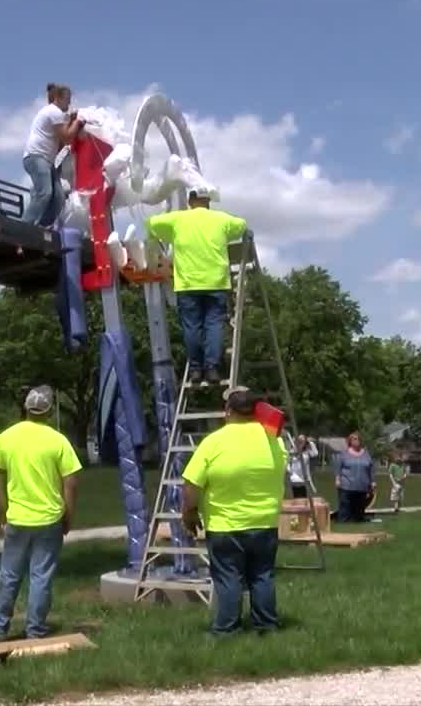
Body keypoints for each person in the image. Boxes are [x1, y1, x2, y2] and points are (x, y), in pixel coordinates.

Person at [180, 388, 287, 636]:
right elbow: (280, 468)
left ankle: (226, 629)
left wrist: (189, 513)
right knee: (262, 575)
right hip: (265, 522)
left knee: (229, 578)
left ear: (228, 411)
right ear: (256, 411)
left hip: (225, 524)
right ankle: (266, 625)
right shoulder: (275, 440)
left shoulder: (214, 442)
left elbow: (191, 486)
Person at [0, 385, 82, 640]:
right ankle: (35, 629)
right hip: (49, 519)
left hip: (17, 518)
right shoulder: (58, 441)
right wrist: (68, 515)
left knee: (9, 573)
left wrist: (3, 513)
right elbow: (71, 481)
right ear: (49, 410)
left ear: (26, 408)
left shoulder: (7, 437)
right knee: (41, 576)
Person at [146, 189, 248, 387]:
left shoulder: (178, 219)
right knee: (214, 325)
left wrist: (157, 240)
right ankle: (212, 368)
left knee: (192, 326)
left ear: (190, 201)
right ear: (208, 201)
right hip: (217, 282)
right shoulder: (221, 219)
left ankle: (195, 369)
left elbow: (150, 223)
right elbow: (242, 225)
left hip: (188, 284)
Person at [23, 82, 86, 228]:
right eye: (67, 100)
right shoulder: (54, 111)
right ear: (59, 98)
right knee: (45, 193)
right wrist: (76, 123)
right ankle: (25, 226)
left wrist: (71, 123)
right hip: (36, 157)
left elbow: (60, 146)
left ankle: (40, 225)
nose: (69, 105)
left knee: (58, 199)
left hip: (46, 161)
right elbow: (67, 137)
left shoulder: (57, 115)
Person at [332, 431, 374, 522]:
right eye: (354, 439)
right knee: (345, 507)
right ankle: (343, 522)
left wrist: (372, 481)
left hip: (362, 486)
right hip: (347, 485)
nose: (357, 440)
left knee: (359, 509)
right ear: (350, 441)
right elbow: (338, 467)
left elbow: (370, 468)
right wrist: (337, 479)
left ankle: (357, 521)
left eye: (359, 439)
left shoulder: (366, 453)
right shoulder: (344, 453)